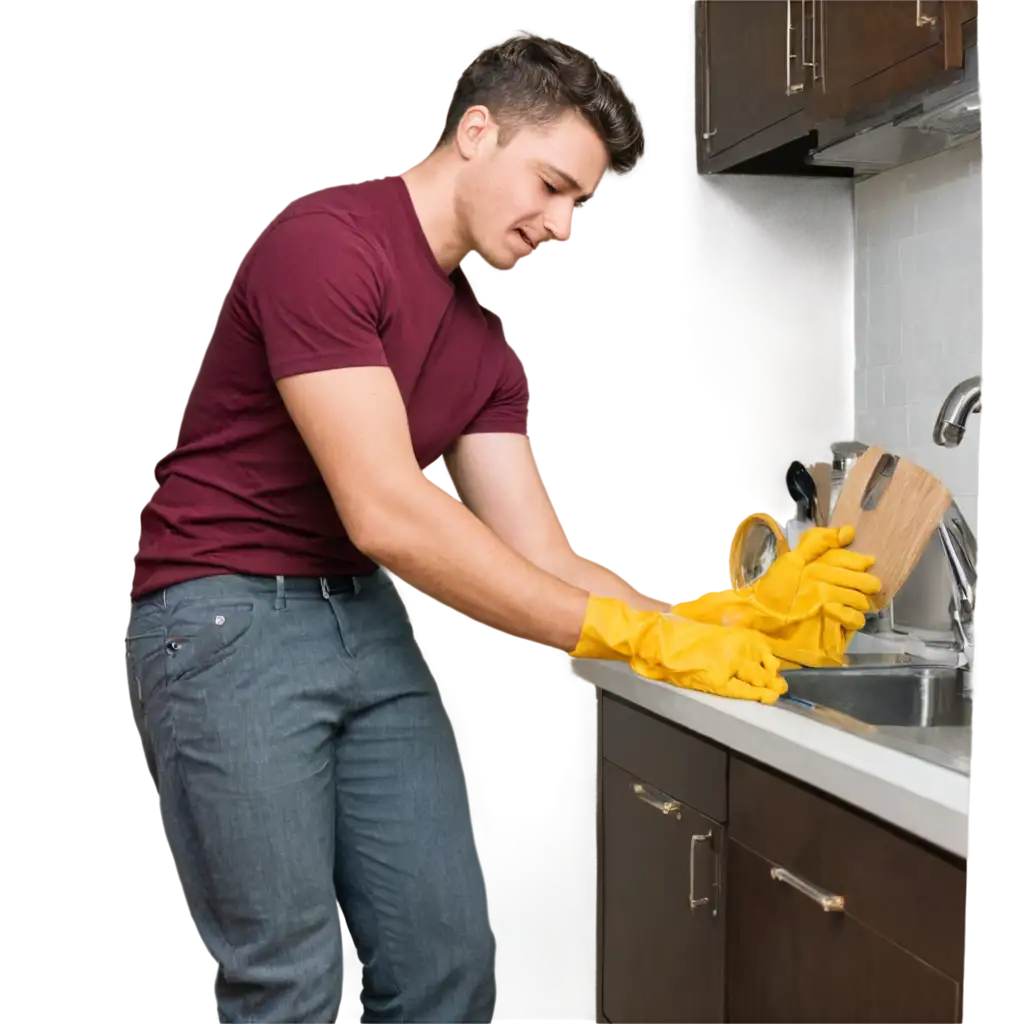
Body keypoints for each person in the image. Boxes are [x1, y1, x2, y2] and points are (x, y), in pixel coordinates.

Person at [123, 36, 878, 1024]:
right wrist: (633, 635)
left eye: (581, 203)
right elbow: (387, 511)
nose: (563, 224)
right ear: (476, 134)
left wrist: (712, 628)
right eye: (553, 184)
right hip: (226, 621)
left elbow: (542, 552)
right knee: (288, 985)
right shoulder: (326, 244)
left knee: (446, 965)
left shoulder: (481, 344)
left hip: (363, 615)